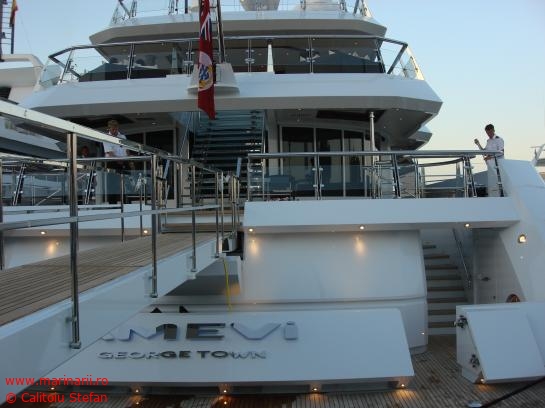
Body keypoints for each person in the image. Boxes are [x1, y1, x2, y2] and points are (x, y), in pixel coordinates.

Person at [102, 119, 129, 204]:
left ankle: (125, 203)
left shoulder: (123, 137)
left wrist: (128, 160)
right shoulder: (106, 137)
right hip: (112, 163)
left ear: (118, 128)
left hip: (123, 162)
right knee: (112, 185)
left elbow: (127, 150)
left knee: (125, 184)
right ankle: (112, 205)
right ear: (109, 128)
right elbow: (109, 153)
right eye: (112, 129)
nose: (114, 131)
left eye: (115, 129)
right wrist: (119, 160)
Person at [474, 124, 504, 196]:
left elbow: (501, 152)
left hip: (498, 166)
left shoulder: (499, 139)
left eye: (490, 132)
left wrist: (490, 157)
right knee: (493, 184)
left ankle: (501, 194)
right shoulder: (488, 141)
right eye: (487, 133)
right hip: (491, 166)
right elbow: (484, 153)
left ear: (493, 130)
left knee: (499, 183)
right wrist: (478, 144)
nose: (488, 134)